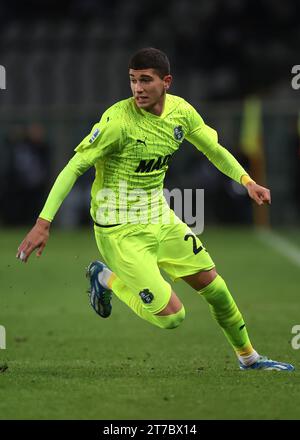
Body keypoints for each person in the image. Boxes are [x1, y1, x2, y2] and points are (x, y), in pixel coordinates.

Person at [17, 47, 294, 371]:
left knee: (216, 288)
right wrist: (43, 222)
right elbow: (73, 167)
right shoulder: (117, 122)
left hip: (160, 218)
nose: (138, 88)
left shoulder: (181, 113)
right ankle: (105, 278)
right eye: (133, 80)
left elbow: (214, 150)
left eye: (145, 80)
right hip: (119, 230)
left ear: (166, 82)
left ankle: (250, 359)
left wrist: (247, 181)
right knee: (173, 317)